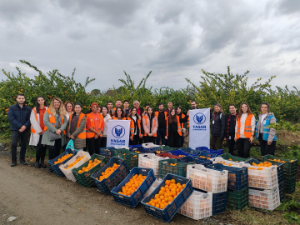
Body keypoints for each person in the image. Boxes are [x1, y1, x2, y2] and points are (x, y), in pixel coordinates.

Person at [8, 94, 32, 167]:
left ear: (24, 99)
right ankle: (13, 160)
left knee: (24, 144)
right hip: (15, 129)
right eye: (19, 98)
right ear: (17, 99)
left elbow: (30, 119)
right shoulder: (12, 108)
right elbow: (11, 119)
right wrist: (20, 126)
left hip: (25, 129)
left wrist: (24, 126)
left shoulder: (28, 109)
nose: (21, 99)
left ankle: (22, 159)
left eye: (22, 98)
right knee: (13, 144)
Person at [42, 97, 68, 162]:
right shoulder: (48, 110)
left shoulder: (62, 111)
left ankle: (56, 164)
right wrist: (55, 130)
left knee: (57, 149)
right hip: (51, 132)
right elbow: (45, 121)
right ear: (53, 103)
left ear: (60, 103)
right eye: (55, 102)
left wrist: (60, 129)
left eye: (58, 102)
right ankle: (51, 164)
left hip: (59, 133)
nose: (56, 103)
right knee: (51, 149)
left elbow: (65, 122)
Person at [29, 96, 48, 168]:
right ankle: (37, 161)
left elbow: (50, 120)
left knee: (44, 147)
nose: (40, 101)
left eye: (42, 100)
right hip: (38, 132)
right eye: (39, 100)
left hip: (46, 131)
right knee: (39, 146)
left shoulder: (48, 109)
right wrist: (40, 131)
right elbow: (33, 120)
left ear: (44, 100)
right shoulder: (34, 110)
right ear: (37, 101)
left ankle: (42, 162)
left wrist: (45, 130)